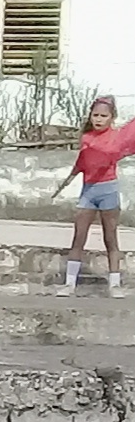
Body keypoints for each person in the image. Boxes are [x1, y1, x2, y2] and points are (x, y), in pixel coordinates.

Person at [54, 95, 134, 295]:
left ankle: (114, 284)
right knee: (79, 237)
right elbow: (82, 163)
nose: (98, 119)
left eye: (103, 116)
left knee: (110, 238)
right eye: (95, 115)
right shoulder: (87, 138)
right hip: (88, 191)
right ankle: (70, 284)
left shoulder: (117, 137)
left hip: (109, 190)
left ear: (111, 118)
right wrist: (66, 182)